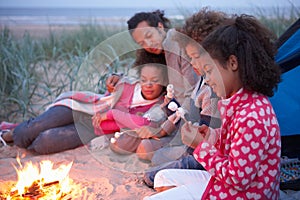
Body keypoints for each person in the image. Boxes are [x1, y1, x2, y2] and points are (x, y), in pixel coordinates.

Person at [145, 14, 282, 199]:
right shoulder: (240, 102)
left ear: (233, 63)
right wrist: (210, 136)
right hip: (228, 183)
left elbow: (238, 179)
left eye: (209, 71)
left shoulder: (252, 116)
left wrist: (200, 146)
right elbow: (233, 144)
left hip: (245, 194)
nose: (207, 78)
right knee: (161, 178)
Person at [1, 52, 170, 155]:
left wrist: (111, 114)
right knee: (32, 128)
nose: (147, 85)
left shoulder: (160, 106)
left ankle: (17, 133)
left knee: (43, 143)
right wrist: (114, 80)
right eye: (144, 79)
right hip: (82, 108)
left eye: (154, 81)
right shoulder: (128, 84)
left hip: (91, 128)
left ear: (163, 82)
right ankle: (7, 134)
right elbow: (114, 81)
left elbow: (143, 123)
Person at [143, 8, 227, 187]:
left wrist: (190, 135)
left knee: (152, 176)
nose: (192, 63)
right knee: (154, 158)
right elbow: (192, 115)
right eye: (189, 57)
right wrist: (171, 107)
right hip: (196, 148)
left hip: (202, 155)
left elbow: (206, 137)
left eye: (195, 57)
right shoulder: (203, 82)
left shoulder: (213, 91)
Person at [106, 10, 198, 161]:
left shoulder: (177, 45)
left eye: (149, 36)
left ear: (160, 27)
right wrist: (118, 77)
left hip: (185, 118)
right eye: (142, 43)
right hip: (169, 114)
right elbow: (142, 75)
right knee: (120, 144)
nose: (148, 44)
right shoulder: (157, 55)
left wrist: (161, 130)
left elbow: (193, 95)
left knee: (144, 150)